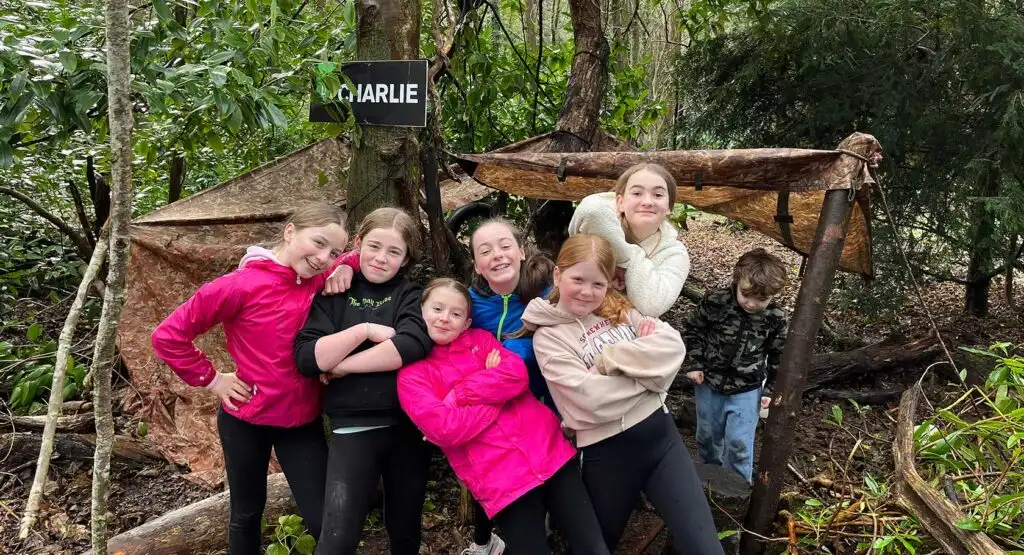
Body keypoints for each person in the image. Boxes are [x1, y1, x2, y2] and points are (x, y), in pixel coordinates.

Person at [328, 217, 555, 554]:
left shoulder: (545, 292)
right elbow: (441, 335)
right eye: (485, 250)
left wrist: (466, 392)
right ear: (476, 263)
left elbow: (585, 290)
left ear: (521, 251)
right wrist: (345, 262)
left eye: (505, 246)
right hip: (490, 422)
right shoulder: (471, 307)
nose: (497, 256)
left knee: (553, 503)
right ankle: (487, 541)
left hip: (545, 410)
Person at [151, 202, 349, 554]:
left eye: (333, 252)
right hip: (246, 419)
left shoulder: (318, 282)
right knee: (245, 514)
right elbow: (168, 336)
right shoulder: (238, 286)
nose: (323, 257)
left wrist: (347, 265)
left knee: (326, 520)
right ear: (290, 232)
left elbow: (369, 255)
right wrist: (213, 380)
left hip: (301, 422)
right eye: (318, 243)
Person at [520, 233, 723, 554]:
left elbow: (672, 348)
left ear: (609, 284)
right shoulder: (548, 338)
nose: (587, 292)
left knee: (705, 547)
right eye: (578, 279)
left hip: (663, 442)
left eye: (598, 284)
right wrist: (649, 379)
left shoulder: (618, 308)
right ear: (558, 275)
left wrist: (607, 361)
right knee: (597, 548)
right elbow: (585, 402)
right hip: (608, 457)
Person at [397, 278, 611, 555]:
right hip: (500, 479)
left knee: (593, 547)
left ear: (467, 322)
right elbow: (445, 429)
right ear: (421, 310)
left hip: (550, 451)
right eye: (437, 309)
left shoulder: (483, 340)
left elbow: (517, 376)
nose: (445, 319)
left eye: (456, 313)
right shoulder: (412, 374)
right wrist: (496, 393)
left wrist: (460, 396)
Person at [293, 207, 433, 555]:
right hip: (351, 429)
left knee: (405, 529)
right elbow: (308, 357)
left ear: (406, 259)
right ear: (357, 245)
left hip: (407, 429)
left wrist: (344, 365)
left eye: (394, 252)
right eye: (374, 246)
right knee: (337, 537)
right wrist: (365, 331)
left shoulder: (411, 295)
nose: (381, 259)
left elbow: (410, 345)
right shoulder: (334, 292)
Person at [683, 247, 789, 483]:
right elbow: (693, 329)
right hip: (709, 381)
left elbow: (779, 355)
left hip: (747, 388)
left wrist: (771, 389)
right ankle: (711, 480)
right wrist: (695, 363)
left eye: (762, 299)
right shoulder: (716, 301)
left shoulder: (775, 317)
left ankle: (738, 487)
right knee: (707, 437)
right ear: (736, 280)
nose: (751, 303)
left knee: (739, 442)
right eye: (746, 294)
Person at [567, 162, 689, 318]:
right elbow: (592, 210)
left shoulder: (674, 252)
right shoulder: (597, 221)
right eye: (637, 193)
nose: (647, 202)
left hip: (633, 332)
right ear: (620, 202)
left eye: (658, 195)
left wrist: (627, 255)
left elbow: (653, 305)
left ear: (669, 207)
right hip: (575, 322)